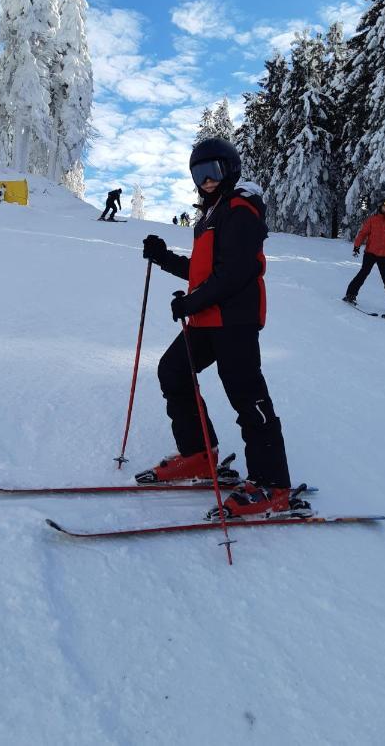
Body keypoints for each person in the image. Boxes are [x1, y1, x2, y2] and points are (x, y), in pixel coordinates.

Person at [136, 137, 310, 519]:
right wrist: (163, 257)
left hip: (235, 319)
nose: (207, 180)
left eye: (213, 171)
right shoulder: (212, 214)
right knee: (173, 371)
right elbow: (204, 272)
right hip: (207, 318)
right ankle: (199, 455)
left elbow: (236, 273)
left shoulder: (241, 209)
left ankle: (272, 483)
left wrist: (191, 302)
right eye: (200, 173)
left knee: (246, 395)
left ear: (229, 169)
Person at [343, 198, 385, 310]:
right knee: (363, 273)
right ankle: (350, 295)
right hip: (370, 252)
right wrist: (357, 246)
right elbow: (363, 233)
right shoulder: (372, 220)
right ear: (380, 207)